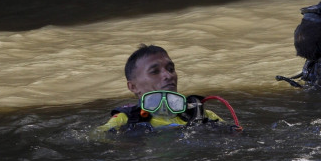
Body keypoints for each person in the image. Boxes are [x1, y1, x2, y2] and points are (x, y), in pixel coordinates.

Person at [96, 44, 225, 134]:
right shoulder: (125, 120)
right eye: (155, 71)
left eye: (171, 69)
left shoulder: (201, 115)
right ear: (133, 87)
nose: (168, 76)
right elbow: (97, 138)